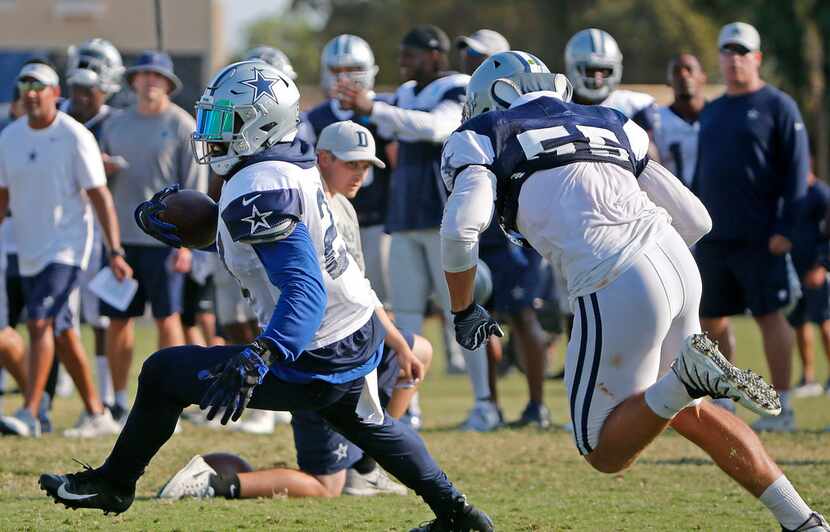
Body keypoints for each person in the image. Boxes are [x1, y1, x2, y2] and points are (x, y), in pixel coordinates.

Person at [39, 60, 493, 532]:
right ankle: (460, 515)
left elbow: (304, 287)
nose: (211, 132)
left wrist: (262, 354)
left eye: (224, 121)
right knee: (369, 426)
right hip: (352, 330)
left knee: (162, 374)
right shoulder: (286, 158)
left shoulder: (257, 187)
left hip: (315, 345)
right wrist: (211, 231)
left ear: (261, 122)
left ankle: (114, 483)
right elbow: (276, 249)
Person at [438, 50, 826, 532]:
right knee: (682, 410)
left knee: (602, 449)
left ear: (496, 96)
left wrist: (463, 308)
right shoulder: (611, 120)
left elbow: (459, 231)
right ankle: (802, 520)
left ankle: (686, 377)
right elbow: (697, 220)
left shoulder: (483, 134)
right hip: (678, 262)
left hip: (614, 273)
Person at [159, 121, 428, 500]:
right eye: (353, 164)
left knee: (418, 351)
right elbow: (299, 286)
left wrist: (397, 341)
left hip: (349, 335)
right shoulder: (286, 197)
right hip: (315, 345)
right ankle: (214, 482)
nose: (360, 175)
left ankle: (365, 468)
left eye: (366, 167)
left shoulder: (341, 207)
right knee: (325, 486)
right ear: (322, 159)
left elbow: (354, 286)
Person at [337, 25, 498, 431]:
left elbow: (434, 128)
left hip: (445, 216)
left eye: (412, 52)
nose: (404, 59)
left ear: (434, 54)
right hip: (405, 216)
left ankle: (485, 405)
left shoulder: (457, 87)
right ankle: (408, 407)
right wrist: (369, 109)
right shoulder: (407, 93)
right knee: (405, 317)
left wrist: (374, 108)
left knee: (462, 313)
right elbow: (394, 127)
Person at [0, 62, 130, 438]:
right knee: (61, 330)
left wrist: (115, 251)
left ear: (55, 93)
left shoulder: (74, 136)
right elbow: (3, 196)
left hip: (69, 249)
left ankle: (31, 411)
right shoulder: (10, 138)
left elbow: (99, 195)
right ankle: (96, 411)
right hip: (29, 248)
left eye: (39, 86)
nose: (31, 92)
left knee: (39, 322)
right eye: (25, 84)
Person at [694, 22, 810, 432]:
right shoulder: (712, 110)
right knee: (711, 320)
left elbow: (797, 174)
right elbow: (701, 173)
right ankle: (726, 404)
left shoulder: (779, 106)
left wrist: (788, 229)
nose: (734, 59)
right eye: (727, 51)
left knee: (769, 315)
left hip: (764, 238)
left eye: (742, 52)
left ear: (756, 59)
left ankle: (783, 406)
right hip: (714, 237)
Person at [98, 50, 208, 424]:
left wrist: (188, 245)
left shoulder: (182, 124)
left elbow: (195, 189)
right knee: (118, 320)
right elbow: (98, 181)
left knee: (168, 317)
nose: (149, 82)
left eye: (156, 76)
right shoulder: (115, 124)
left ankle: (172, 400)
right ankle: (115, 399)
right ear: (132, 81)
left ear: (167, 84)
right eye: (143, 75)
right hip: (122, 240)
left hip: (166, 241)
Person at [455, 28, 553, 428]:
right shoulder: (472, 112)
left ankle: (536, 406)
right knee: (481, 317)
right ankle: (489, 406)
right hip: (483, 233)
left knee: (523, 316)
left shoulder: (523, 120)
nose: (468, 64)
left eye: (479, 58)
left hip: (516, 234)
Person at [61, 37, 126, 412]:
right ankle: (66, 386)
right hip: (62, 227)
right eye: (80, 88)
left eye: (93, 89)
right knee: (61, 314)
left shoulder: (116, 123)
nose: (84, 95)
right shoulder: (58, 117)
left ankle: (105, 393)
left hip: (101, 230)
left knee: (100, 314)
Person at [787, 164, 830, 397]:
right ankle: (808, 378)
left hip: (817, 271)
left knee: (824, 322)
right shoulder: (794, 193)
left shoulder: (821, 195)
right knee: (799, 323)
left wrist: (822, 266)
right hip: (795, 271)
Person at [653, 53, 707, 188]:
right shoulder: (656, 121)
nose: (683, 75)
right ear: (668, 81)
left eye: (689, 69)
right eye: (676, 71)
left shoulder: (719, 116)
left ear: (702, 77)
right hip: (672, 204)